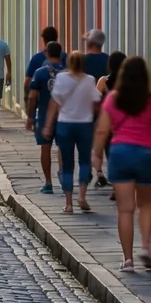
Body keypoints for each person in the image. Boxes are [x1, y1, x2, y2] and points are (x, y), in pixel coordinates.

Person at [93, 55, 151, 274]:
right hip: (145, 154)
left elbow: (102, 131)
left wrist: (97, 155)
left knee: (125, 209)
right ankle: (147, 247)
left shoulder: (112, 99)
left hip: (120, 153)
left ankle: (128, 260)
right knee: (146, 204)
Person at [43, 52, 101, 214]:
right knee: (84, 161)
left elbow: (54, 103)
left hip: (65, 125)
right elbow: (96, 103)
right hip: (84, 125)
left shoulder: (61, 78)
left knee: (67, 164)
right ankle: (82, 196)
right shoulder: (89, 80)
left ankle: (68, 204)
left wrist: (48, 125)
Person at [26, 39, 67, 192]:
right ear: (60, 54)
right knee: (63, 148)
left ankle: (48, 183)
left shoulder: (40, 72)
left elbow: (32, 96)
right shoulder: (68, 73)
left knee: (45, 148)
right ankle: (63, 174)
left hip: (44, 115)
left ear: (47, 54)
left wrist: (30, 116)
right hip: (64, 116)